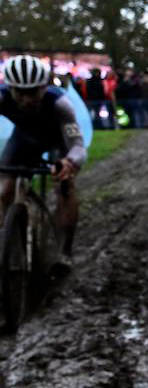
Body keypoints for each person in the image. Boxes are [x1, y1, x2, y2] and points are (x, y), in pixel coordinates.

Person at [0, 54, 86, 276]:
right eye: (20, 92)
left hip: (59, 142)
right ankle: (11, 244)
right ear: (10, 88)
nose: (27, 99)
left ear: (44, 87)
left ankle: (64, 252)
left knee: (64, 187)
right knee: (4, 191)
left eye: (34, 92)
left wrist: (69, 162)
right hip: (24, 140)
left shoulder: (59, 104)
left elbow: (77, 145)